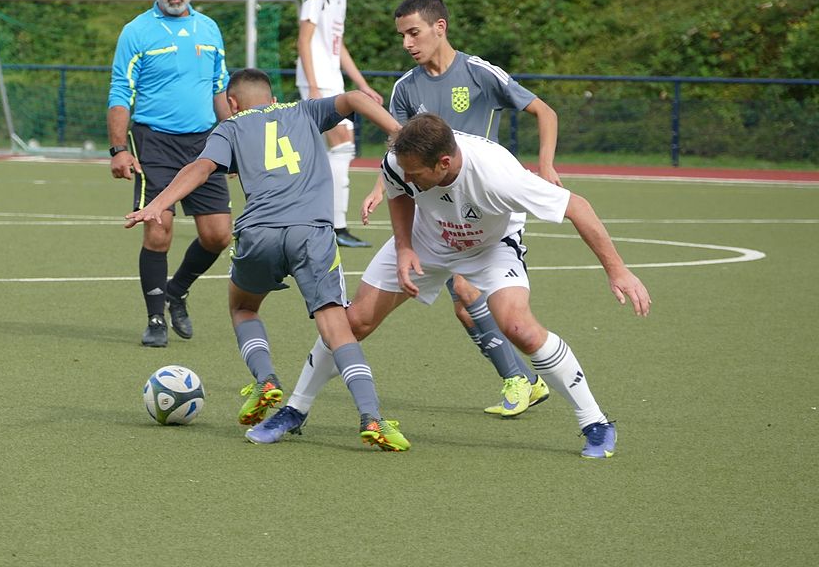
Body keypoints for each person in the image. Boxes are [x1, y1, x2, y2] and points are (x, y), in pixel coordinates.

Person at [252, 113, 651, 458]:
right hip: (426, 240)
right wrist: (405, 246)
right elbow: (398, 190)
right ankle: (295, 410)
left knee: (518, 327)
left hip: (490, 247)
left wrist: (618, 270)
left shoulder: (499, 176)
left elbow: (576, 206)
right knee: (353, 321)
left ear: (444, 162)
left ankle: (595, 422)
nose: (407, 176)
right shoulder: (400, 161)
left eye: (417, 173)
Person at [125, 69, 410, 451]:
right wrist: (401, 135)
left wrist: (159, 203)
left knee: (243, 307)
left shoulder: (229, 128)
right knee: (335, 326)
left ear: (232, 104)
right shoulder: (305, 111)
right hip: (311, 232)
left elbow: (202, 167)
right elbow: (357, 98)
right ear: (273, 98)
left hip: (259, 233)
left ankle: (265, 380)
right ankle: (371, 416)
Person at [364, 0, 564, 416]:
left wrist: (545, 164)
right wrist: (381, 188)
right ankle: (526, 382)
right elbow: (400, 153)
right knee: (466, 309)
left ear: (440, 28)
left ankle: (522, 381)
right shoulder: (405, 88)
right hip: (437, 209)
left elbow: (544, 111)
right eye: (401, 36)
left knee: (467, 291)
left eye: (413, 33)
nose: (407, 44)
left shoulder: (478, 73)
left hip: (484, 203)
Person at [108, 0, 232, 348]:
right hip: (155, 143)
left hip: (204, 144)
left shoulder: (210, 29)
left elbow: (220, 90)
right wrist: (117, 149)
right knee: (158, 231)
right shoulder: (136, 32)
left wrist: (234, 138)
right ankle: (156, 319)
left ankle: (177, 289)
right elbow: (120, 91)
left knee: (218, 237)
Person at [296, 0, 383, 248]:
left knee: (338, 150)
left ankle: (331, 223)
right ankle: (335, 226)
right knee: (341, 146)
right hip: (318, 80)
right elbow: (304, 40)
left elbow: (338, 45)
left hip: (332, 80)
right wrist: (314, 85)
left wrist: (362, 85)